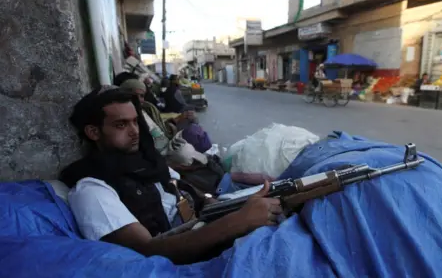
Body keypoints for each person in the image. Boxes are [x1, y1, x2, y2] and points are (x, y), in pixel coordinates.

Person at [59, 86, 283, 265]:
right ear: (93, 132)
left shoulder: (147, 163)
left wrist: (228, 208)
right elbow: (146, 251)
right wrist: (239, 221)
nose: (134, 131)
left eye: (135, 121)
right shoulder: (92, 189)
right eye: (121, 125)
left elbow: (189, 192)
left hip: (208, 228)